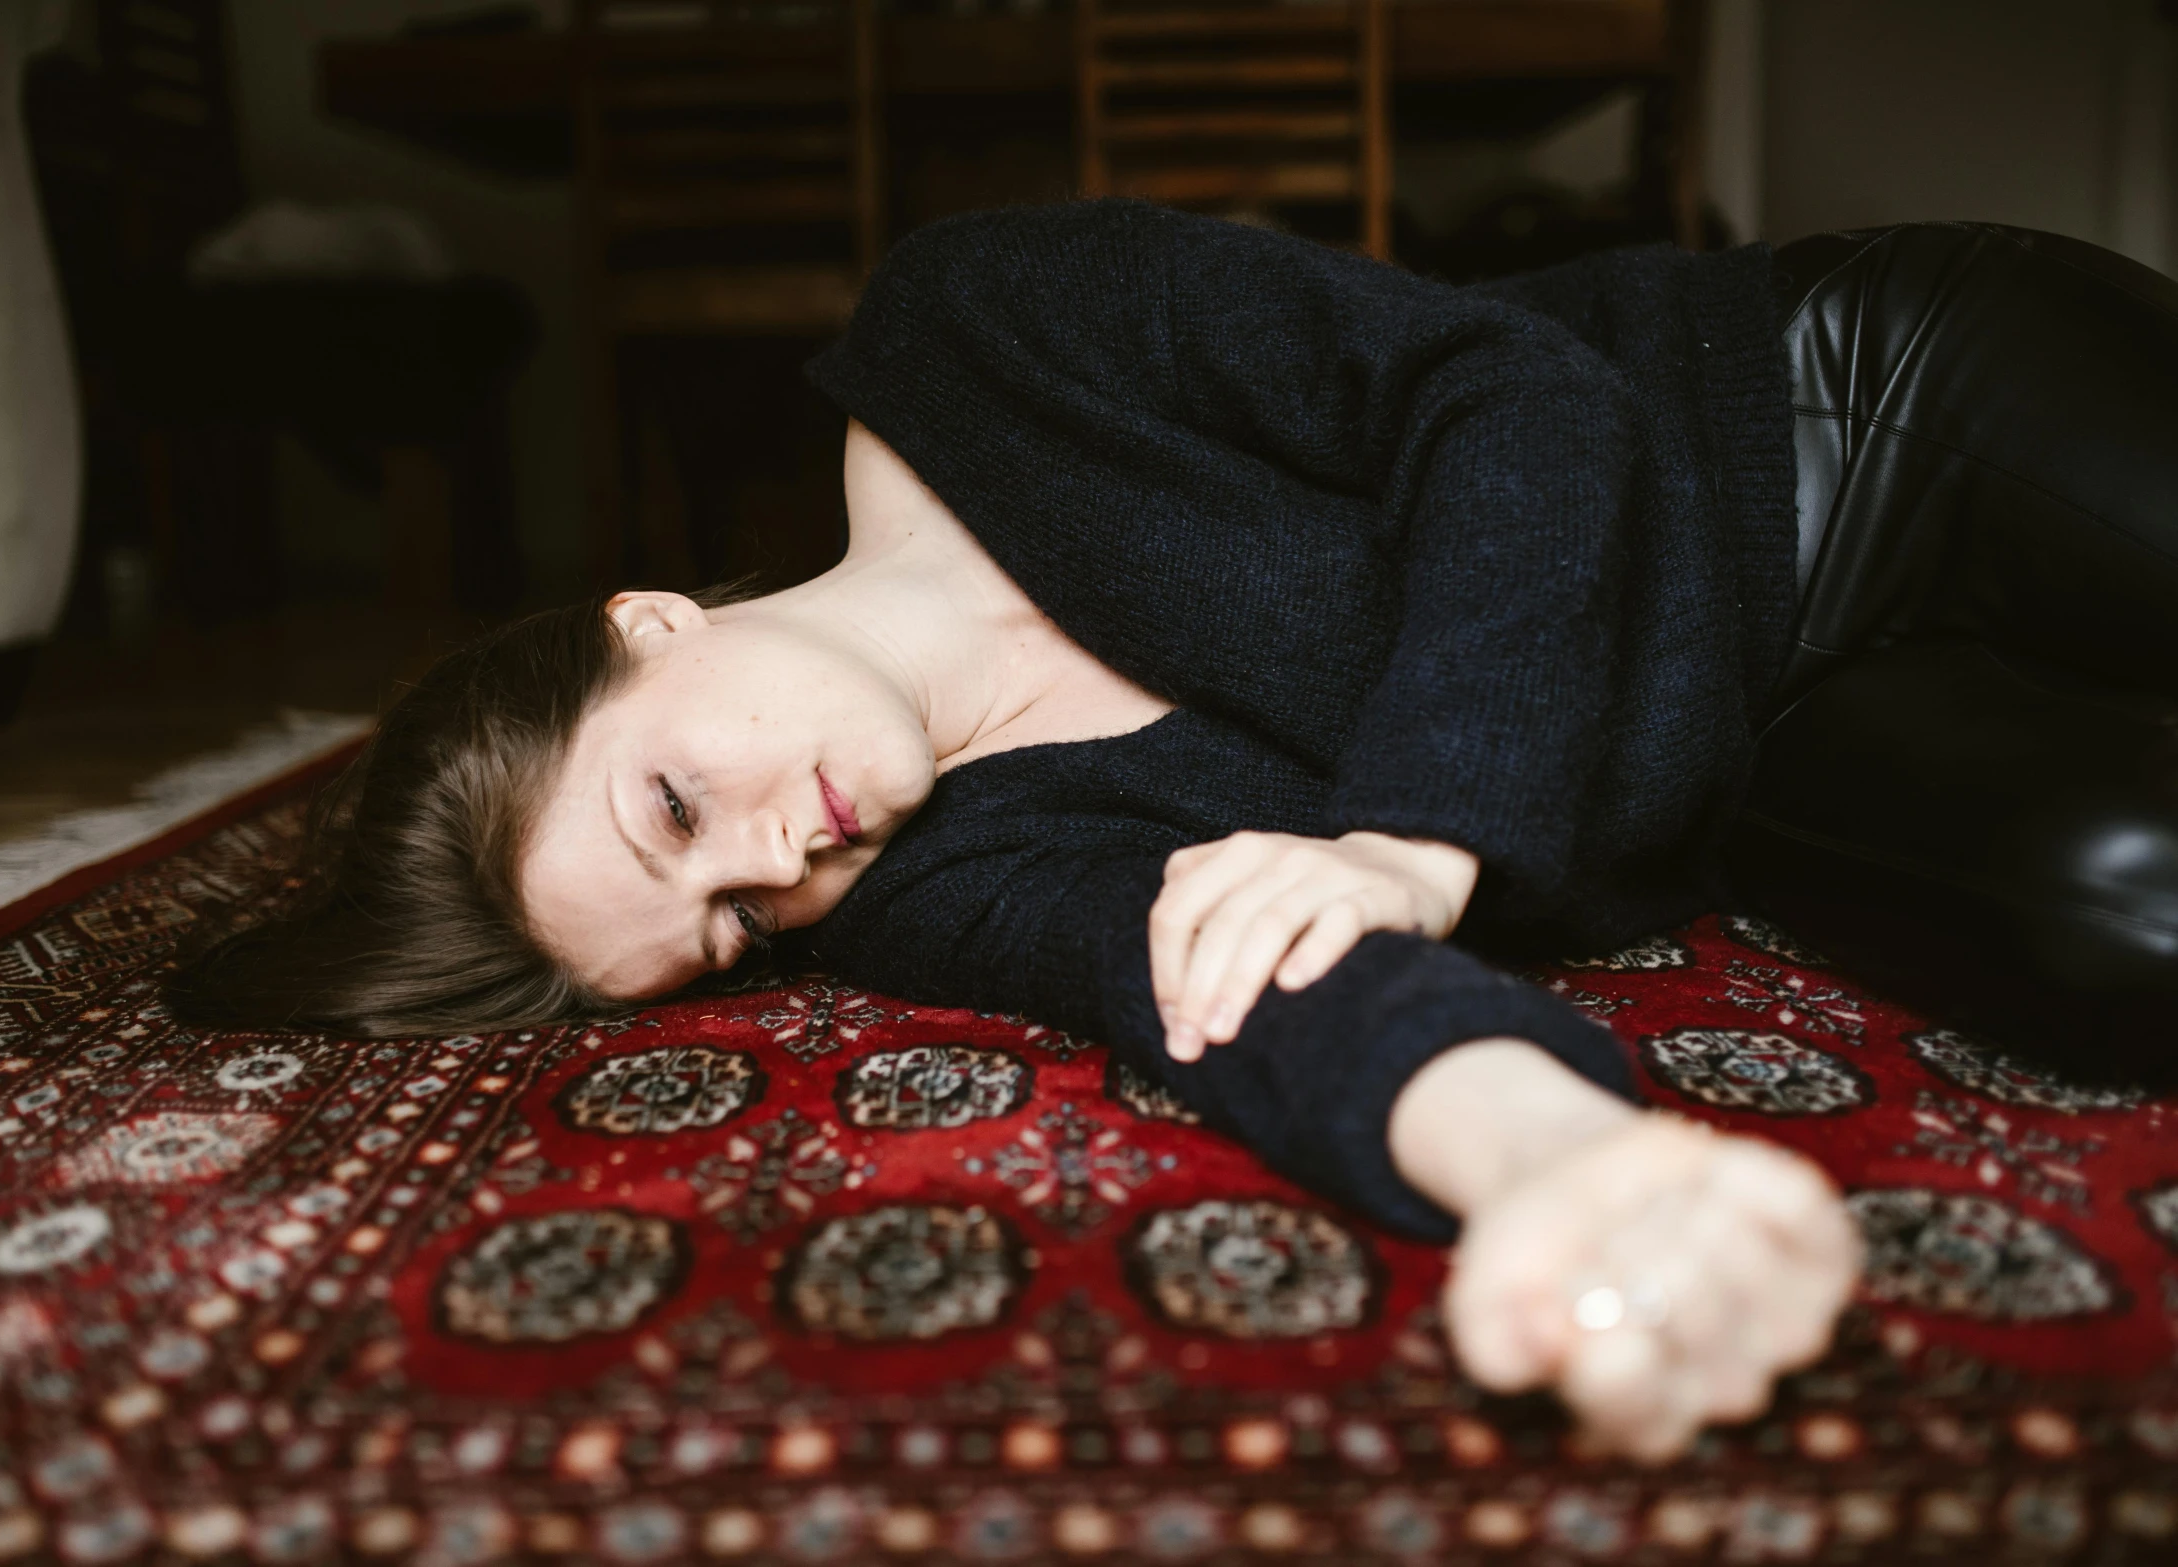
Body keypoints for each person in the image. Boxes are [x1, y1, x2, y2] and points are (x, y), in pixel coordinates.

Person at [167, 204, 2178, 1466]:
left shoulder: (972, 324)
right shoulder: (912, 884)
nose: (771, 860)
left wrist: (1406, 839)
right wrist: (1563, 1172)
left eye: (675, 803)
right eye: (718, 928)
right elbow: (1261, 1003)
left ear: (646, 621)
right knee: (2126, 922)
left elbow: (1514, 395)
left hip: (1833, 416)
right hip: (1778, 749)